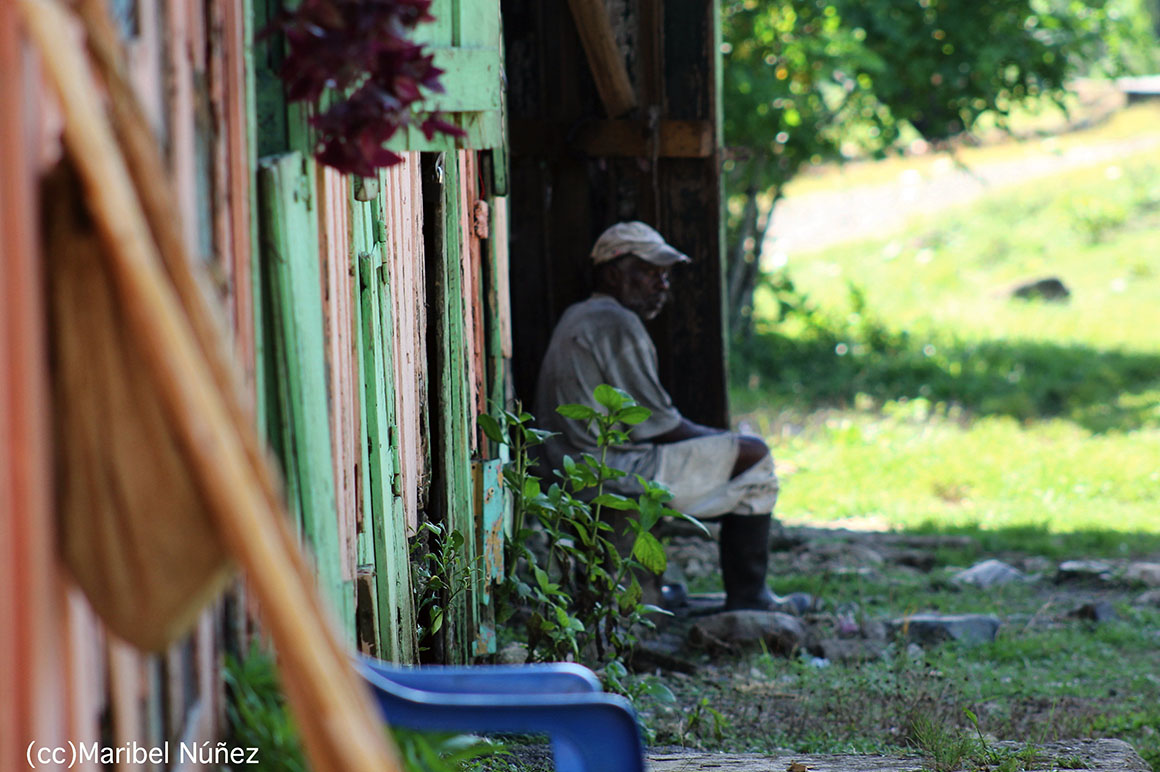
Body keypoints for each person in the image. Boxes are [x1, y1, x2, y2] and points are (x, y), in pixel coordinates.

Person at [533, 221, 796, 613]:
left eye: (665, 275)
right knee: (754, 458)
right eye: (649, 272)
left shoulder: (581, 315)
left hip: (571, 469)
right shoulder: (615, 322)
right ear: (612, 274)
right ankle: (750, 596)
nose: (662, 285)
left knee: (736, 453)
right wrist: (724, 445)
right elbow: (659, 425)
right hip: (603, 471)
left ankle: (659, 590)